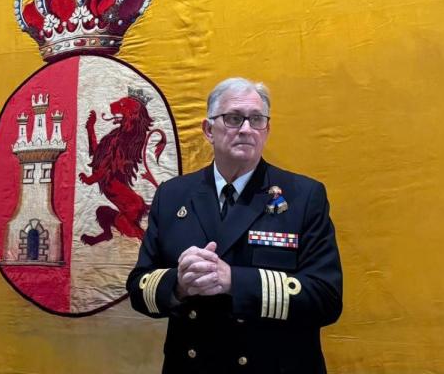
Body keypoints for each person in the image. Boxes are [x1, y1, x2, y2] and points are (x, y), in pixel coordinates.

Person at [127, 77, 343, 373]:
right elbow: (139, 288)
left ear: (266, 130)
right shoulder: (173, 195)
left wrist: (233, 281)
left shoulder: (303, 196)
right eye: (233, 119)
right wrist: (178, 284)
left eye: (256, 119)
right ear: (208, 130)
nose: (246, 129)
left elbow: (326, 299)